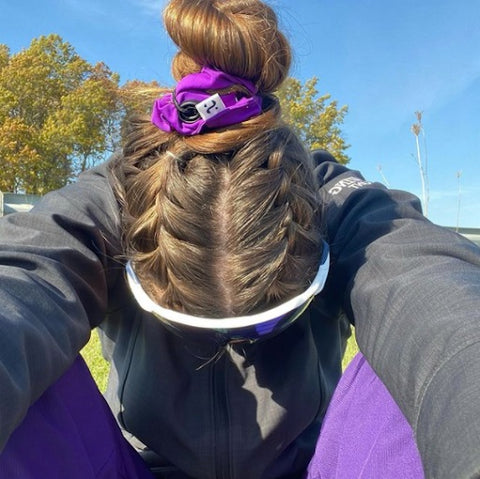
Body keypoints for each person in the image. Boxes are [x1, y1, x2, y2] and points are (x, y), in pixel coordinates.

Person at [0, 0, 479, 478]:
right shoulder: (114, 193)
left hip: (312, 468)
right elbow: (19, 278)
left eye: (267, 326)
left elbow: (434, 294)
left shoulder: (333, 198)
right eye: (186, 328)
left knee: (416, 352)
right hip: (137, 470)